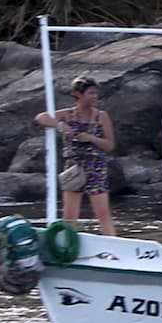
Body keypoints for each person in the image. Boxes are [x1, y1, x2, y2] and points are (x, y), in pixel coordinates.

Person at [35, 76, 117, 236]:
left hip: (96, 168)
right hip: (73, 169)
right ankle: (67, 248)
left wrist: (91, 138)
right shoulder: (68, 114)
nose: (94, 97)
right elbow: (41, 117)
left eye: (95, 93)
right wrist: (61, 126)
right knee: (69, 216)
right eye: (90, 93)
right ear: (78, 94)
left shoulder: (101, 116)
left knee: (103, 214)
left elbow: (110, 145)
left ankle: (114, 249)